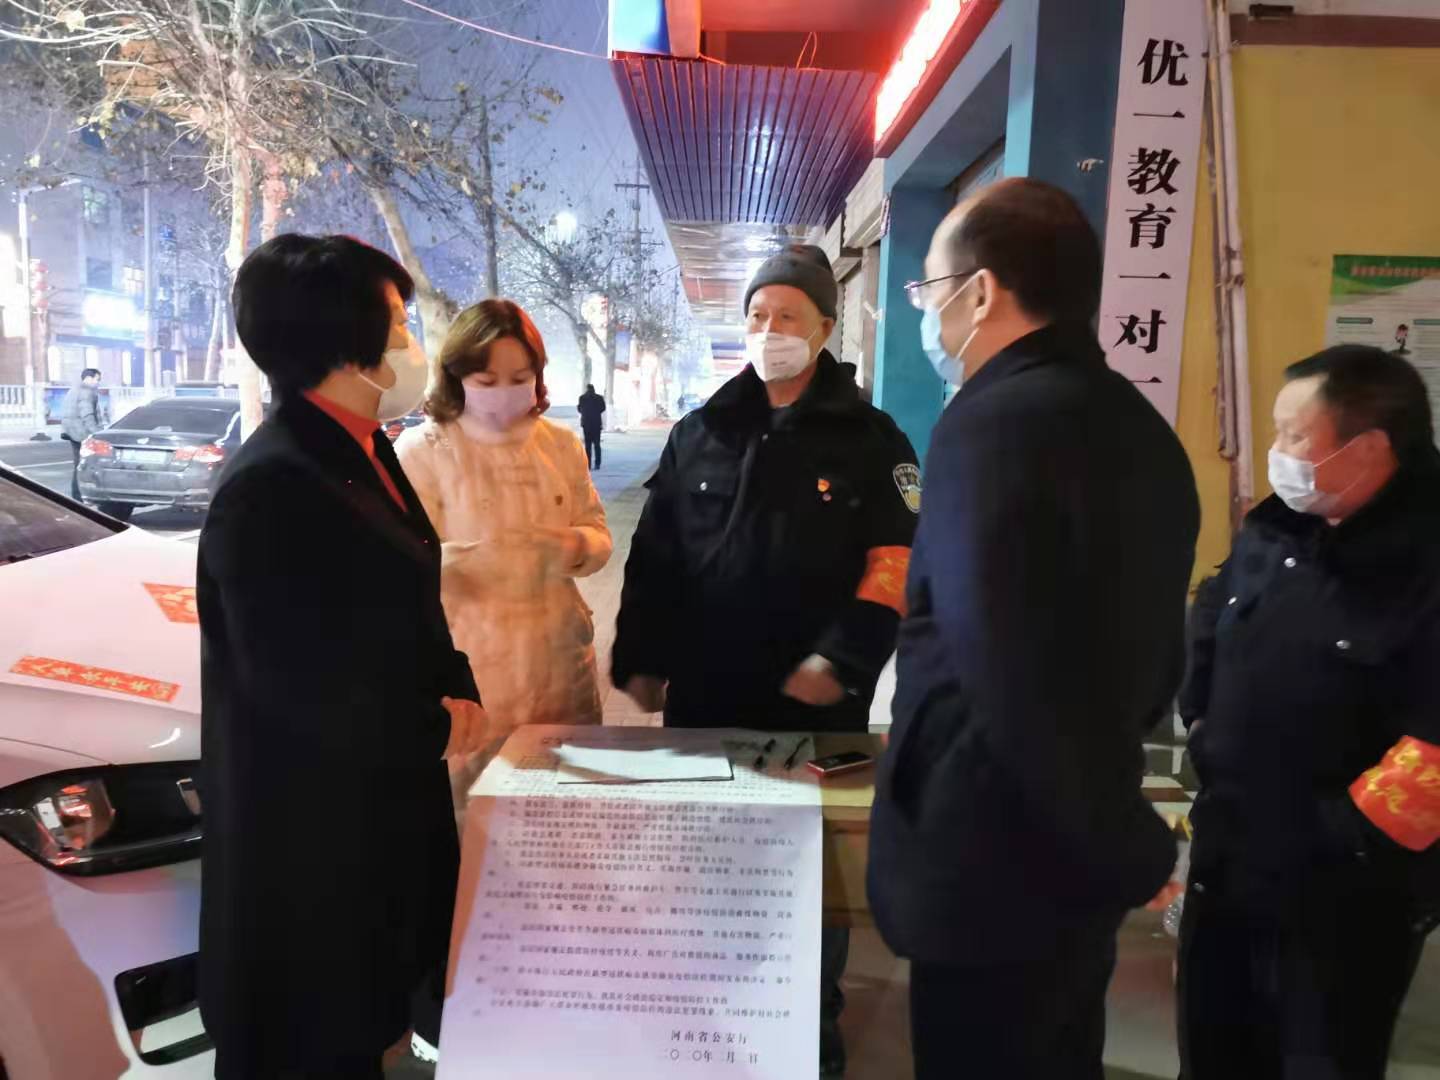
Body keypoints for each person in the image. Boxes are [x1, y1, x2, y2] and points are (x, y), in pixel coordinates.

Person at [866, 178, 1200, 1080]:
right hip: (1073, 855)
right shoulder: (1140, 430)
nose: (927, 314)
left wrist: (1122, 839)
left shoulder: (989, 425)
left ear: (980, 292)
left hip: (989, 851)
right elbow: (1152, 657)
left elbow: (1000, 667)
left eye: (929, 289)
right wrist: (1113, 831)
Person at [613, 243, 919, 1078]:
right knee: (707, 864)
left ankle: (807, 1033)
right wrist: (642, 653)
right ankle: (710, 1029)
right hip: (708, 698)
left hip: (816, 707)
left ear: (824, 327)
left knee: (805, 877)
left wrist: (840, 659)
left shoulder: (871, 439)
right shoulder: (701, 430)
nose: (769, 329)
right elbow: (656, 555)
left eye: (788, 315)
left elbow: (895, 564)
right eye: (757, 314)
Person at [197, 234, 491, 1079]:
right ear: (339, 339)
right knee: (313, 1036)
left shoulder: (363, 446)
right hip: (309, 837)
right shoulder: (272, 485)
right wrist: (429, 724)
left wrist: (454, 684)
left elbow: (407, 594)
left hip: (376, 803)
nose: (410, 344)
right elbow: (295, 681)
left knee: (367, 1018)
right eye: (396, 323)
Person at [1177, 345, 1440, 1079]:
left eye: (1295, 436)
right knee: (1215, 1050)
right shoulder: (1277, 527)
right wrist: (1202, 726)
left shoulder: (1423, 560)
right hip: (1230, 859)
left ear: (1370, 448)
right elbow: (1213, 617)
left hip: (1344, 897)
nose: (1278, 452)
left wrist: (1337, 840)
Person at [397, 300, 612, 814]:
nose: (504, 393)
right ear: (456, 376)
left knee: (566, 816)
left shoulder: (560, 445)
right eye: (486, 380)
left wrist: (576, 546)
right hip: (475, 675)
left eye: (520, 378)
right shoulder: (423, 451)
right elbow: (397, 566)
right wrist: (462, 563)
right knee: (478, 826)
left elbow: (598, 532)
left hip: (561, 668)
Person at [60, 368, 107, 499]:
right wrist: (96, 433)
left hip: (72, 432)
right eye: (97, 379)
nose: (98, 382)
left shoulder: (73, 390)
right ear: (89, 378)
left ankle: (77, 495)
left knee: (78, 465)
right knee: (91, 464)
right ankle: (83, 495)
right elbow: (87, 415)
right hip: (82, 433)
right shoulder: (86, 392)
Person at [578, 382, 606, 469]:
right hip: (596, 424)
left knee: (588, 446)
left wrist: (586, 413)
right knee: (597, 445)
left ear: (586, 389)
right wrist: (596, 412)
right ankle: (597, 464)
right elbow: (603, 408)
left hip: (586, 424)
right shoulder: (599, 398)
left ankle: (588, 464)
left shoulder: (582, 398)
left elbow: (579, 409)